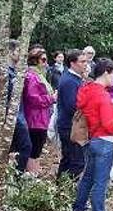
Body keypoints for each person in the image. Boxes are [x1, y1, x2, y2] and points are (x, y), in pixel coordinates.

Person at [73, 58, 113, 211]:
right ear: (106, 72)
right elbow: (108, 123)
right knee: (101, 181)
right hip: (105, 141)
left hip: (92, 139)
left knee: (88, 177)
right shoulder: (103, 95)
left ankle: (78, 208)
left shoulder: (87, 90)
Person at [23, 47, 56, 176]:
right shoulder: (32, 76)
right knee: (35, 148)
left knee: (38, 147)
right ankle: (30, 175)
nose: (46, 63)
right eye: (43, 60)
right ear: (35, 61)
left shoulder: (39, 75)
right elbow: (33, 98)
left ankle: (34, 172)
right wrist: (51, 98)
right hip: (34, 118)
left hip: (41, 117)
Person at [56, 49, 87, 179]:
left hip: (71, 125)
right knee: (75, 161)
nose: (86, 64)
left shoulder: (75, 78)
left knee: (69, 159)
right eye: (82, 61)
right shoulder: (69, 81)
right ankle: (67, 190)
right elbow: (72, 106)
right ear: (73, 63)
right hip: (70, 127)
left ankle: (62, 189)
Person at [7, 40, 33, 173]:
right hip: (13, 116)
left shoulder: (15, 72)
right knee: (25, 146)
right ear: (10, 53)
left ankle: (13, 175)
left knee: (18, 147)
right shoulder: (5, 73)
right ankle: (17, 175)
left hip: (20, 115)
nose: (21, 55)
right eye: (18, 51)